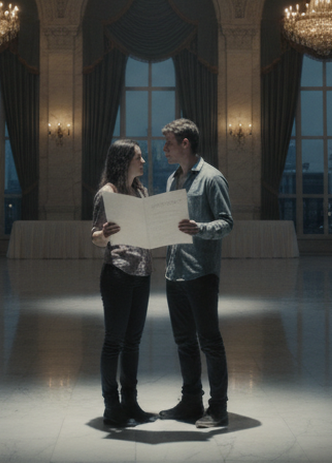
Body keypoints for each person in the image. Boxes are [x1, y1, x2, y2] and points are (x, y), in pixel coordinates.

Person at [158, 118, 234, 429]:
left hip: (201, 273)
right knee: (184, 343)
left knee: (210, 342)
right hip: (174, 272)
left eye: (169, 143)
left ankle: (218, 408)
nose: (164, 148)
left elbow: (226, 223)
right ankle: (191, 402)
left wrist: (199, 228)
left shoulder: (212, 178)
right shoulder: (172, 180)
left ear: (185, 143)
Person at [90, 139, 157, 428]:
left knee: (133, 342)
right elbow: (95, 237)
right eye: (138, 157)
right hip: (117, 273)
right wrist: (105, 234)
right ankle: (111, 406)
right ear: (123, 161)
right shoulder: (107, 193)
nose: (143, 162)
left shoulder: (141, 192)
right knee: (114, 341)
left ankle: (131, 402)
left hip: (143, 272)